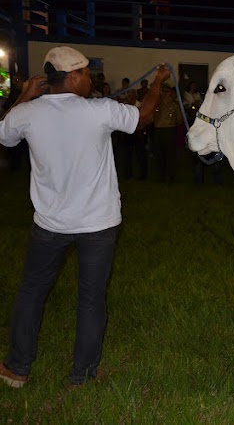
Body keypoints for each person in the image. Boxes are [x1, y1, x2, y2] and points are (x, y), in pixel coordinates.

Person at [0, 46, 170, 388]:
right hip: (98, 225)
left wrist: (23, 95)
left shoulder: (29, 114)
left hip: (49, 225)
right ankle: (82, 375)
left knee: (32, 292)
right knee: (91, 298)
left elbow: (4, 134)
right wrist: (158, 82)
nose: (91, 77)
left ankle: (17, 368)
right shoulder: (100, 111)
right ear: (73, 76)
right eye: (86, 72)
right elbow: (145, 117)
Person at [152, 83, 182, 183]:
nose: (165, 93)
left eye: (167, 91)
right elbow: (152, 117)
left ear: (170, 92)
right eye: (163, 91)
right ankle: (161, 175)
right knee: (159, 154)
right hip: (158, 130)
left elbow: (179, 120)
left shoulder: (175, 105)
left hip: (169, 130)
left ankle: (171, 176)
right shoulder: (157, 104)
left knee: (170, 154)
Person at [1, 74, 30, 172]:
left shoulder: (29, 92)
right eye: (14, 80)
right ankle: (14, 167)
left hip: (26, 123)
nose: (16, 82)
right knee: (15, 148)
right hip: (17, 123)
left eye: (17, 80)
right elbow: (8, 106)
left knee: (26, 147)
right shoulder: (14, 93)